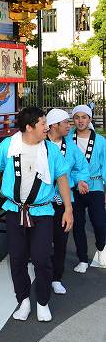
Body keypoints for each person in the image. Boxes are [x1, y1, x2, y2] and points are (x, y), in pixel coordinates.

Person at [0, 107, 73, 323]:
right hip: (15, 211)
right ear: (29, 127)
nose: (46, 128)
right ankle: (24, 300)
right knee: (17, 258)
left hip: (42, 212)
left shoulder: (50, 150)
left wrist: (68, 210)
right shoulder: (9, 145)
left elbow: (62, 178)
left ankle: (43, 302)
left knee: (41, 258)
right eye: (43, 124)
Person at [45, 109, 89, 294]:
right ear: (54, 125)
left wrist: (80, 180)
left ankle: (56, 278)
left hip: (63, 200)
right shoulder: (40, 143)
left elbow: (81, 167)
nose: (69, 126)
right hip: (42, 200)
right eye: (65, 122)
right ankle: (43, 271)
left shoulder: (70, 146)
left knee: (61, 239)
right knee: (41, 240)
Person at [67, 105, 106, 271]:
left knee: (100, 223)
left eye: (84, 117)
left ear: (90, 119)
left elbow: (105, 165)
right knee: (77, 225)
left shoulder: (101, 141)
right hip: (74, 188)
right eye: (77, 117)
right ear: (73, 119)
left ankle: (101, 248)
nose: (80, 121)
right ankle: (82, 259)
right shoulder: (68, 139)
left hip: (95, 186)